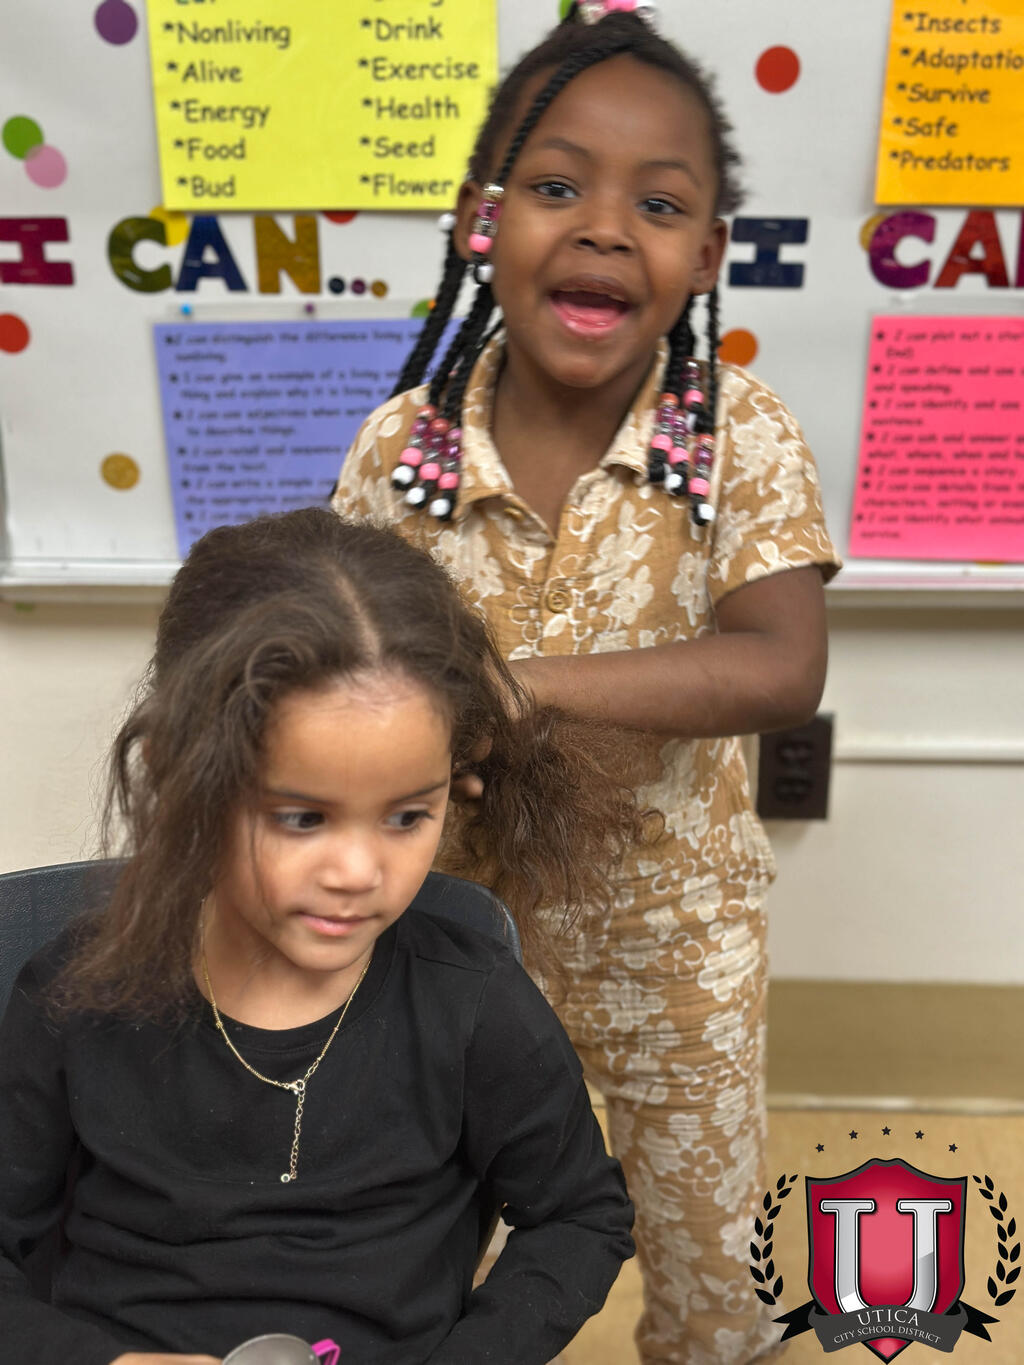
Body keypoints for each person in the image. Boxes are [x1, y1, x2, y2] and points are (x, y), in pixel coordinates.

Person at [332, 4, 841, 1362]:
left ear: (707, 255)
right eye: (557, 187)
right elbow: (344, 661)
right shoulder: (400, 450)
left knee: (711, 1275)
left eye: (657, 205)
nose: (607, 228)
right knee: (420, 1249)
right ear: (478, 223)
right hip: (448, 950)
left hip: (679, 958)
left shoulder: (738, 436)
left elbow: (782, 662)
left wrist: (525, 684)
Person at [0, 508, 642, 1365]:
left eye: (408, 816)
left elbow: (581, 1214)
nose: (358, 871)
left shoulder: (473, 1002)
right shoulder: (72, 998)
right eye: (303, 817)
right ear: (181, 777)